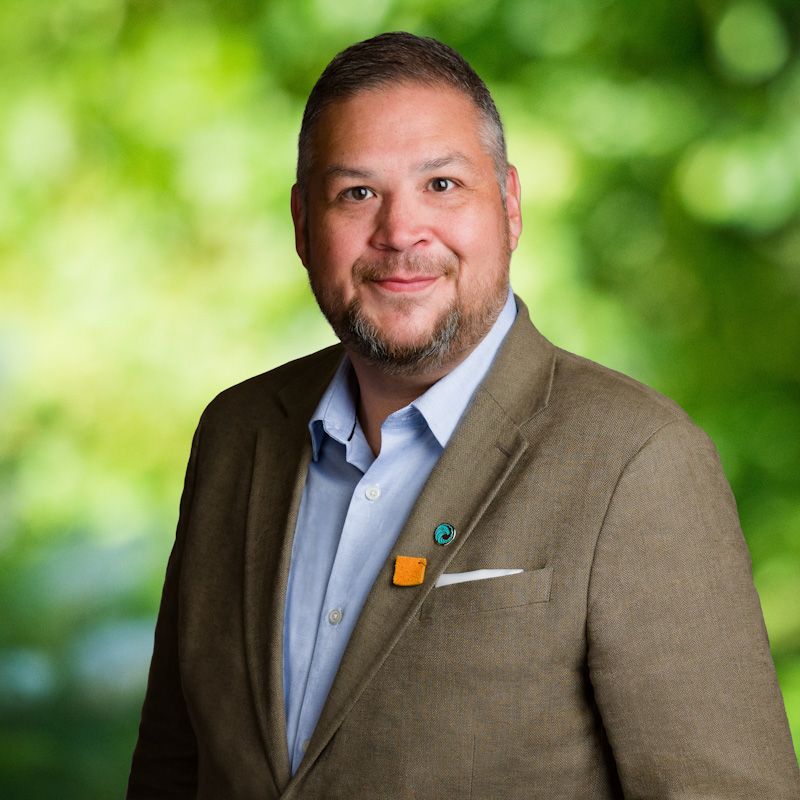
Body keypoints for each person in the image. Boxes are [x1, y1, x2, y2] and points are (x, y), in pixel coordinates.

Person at [127, 32, 799, 799]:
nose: (400, 232)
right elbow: (171, 764)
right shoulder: (236, 434)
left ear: (509, 206)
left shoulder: (637, 459)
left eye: (442, 184)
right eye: (357, 193)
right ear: (302, 224)